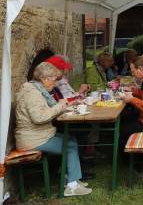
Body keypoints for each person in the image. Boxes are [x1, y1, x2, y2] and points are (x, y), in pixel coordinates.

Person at [15, 62, 92, 196]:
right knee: (70, 144)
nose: (56, 84)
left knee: (72, 139)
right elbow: (39, 118)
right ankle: (71, 187)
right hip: (32, 139)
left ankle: (71, 179)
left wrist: (66, 104)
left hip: (36, 135)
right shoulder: (32, 93)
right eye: (54, 80)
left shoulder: (35, 90)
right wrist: (60, 107)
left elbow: (46, 110)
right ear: (44, 78)